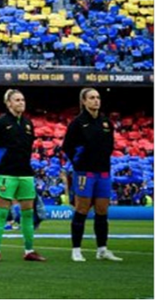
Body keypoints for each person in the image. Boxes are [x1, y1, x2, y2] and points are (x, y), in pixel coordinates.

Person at [61, 87, 122, 262]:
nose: (96, 100)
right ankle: (76, 249)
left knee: (102, 210)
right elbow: (67, 147)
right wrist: (79, 162)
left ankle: (102, 249)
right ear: (84, 101)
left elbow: (110, 145)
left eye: (98, 97)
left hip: (103, 171)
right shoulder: (78, 123)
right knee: (81, 209)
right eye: (92, 98)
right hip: (84, 172)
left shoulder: (105, 122)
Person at [0, 89, 46, 262]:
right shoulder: (0, 124)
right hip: (5, 173)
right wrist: (0, 164)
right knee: (2, 213)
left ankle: (29, 250)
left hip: (25, 173)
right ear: (8, 103)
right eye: (17, 100)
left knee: (27, 213)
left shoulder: (27, 124)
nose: (21, 103)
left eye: (23, 100)